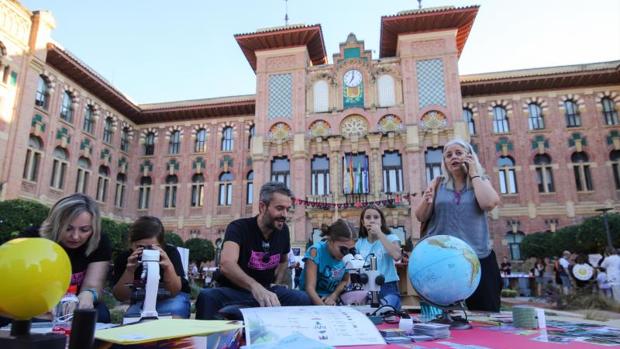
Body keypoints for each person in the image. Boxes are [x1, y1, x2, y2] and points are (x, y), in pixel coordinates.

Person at [195, 182, 311, 320]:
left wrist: (276, 283)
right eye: (280, 208)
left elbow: (283, 261)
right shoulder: (238, 228)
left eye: (287, 209)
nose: (284, 215)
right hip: (235, 292)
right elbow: (226, 264)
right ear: (262, 207)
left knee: (302, 298)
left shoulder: (283, 231)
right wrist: (255, 287)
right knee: (206, 297)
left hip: (266, 291)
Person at [415, 138, 502, 312]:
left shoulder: (481, 182)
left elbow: (489, 203)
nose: (453, 157)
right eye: (448, 155)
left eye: (458, 153)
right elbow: (420, 216)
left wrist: (474, 174)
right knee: (443, 317)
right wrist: (426, 199)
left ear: (469, 157)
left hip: (476, 258)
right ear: (445, 162)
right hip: (442, 260)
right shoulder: (438, 184)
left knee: (485, 314)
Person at [40, 193, 112, 322]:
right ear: (56, 225)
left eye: (84, 230)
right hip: (40, 303)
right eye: (68, 229)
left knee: (100, 315)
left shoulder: (99, 242)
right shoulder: (36, 238)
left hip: (75, 304)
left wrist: (89, 295)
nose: (75, 236)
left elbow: (93, 285)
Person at [112, 216, 191, 318]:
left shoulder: (170, 253)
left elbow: (174, 291)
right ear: (131, 243)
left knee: (172, 312)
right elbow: (121, 296)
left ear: (161, 245)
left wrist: (168, 268)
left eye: (152, 247)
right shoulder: (124, 258)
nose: (146, 251)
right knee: (132, 317)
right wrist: (129, 270)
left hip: (173, 298)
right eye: (140, 247)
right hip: (142, 300)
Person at [300, 219, 357, 305]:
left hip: (331, 299)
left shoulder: (347, 257)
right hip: (311, 298)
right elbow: (309, 288)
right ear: (330, 241)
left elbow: (345, 280)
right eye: (343, 249)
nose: (346, 254)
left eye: (350, 250)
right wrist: (325, 309)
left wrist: (333, 296)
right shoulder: (315, 251)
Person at [356, 205, 402, 310]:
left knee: (386, 310)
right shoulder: (360, 243)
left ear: (381, 221)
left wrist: (379, 233)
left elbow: (397, 255)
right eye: (368, 217)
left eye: (376, 217)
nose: (372, 220)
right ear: (363, 222)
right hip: (367, 287)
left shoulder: (391, 238)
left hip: (387, 286)